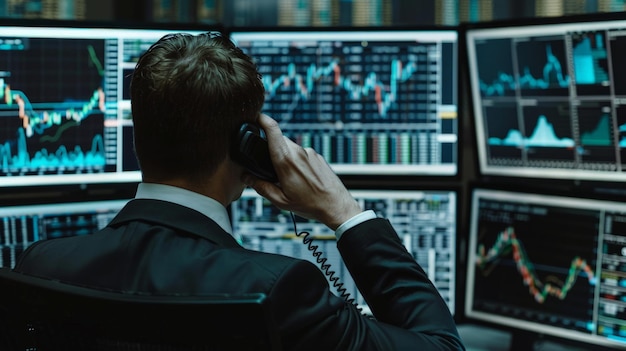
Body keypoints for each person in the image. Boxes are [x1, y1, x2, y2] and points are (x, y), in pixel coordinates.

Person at [13, 32, 465, 350]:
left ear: (137, 135)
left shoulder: (41, 266)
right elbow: (442, 346)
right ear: (249, 147)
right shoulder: (279, 290)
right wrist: (344, 212)